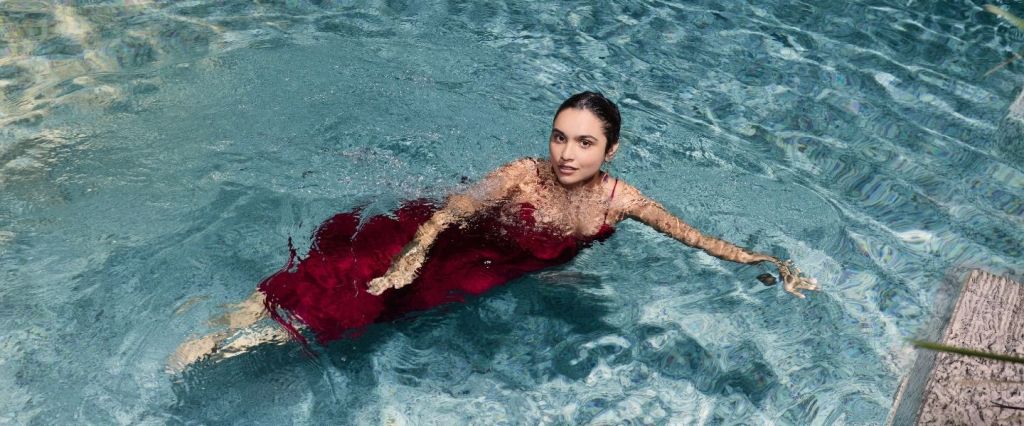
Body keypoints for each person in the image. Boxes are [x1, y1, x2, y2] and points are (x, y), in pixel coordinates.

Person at [167, 91, 817, 373]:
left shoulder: (624, 203)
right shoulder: (520, 174)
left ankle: (253, 328)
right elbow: (449, 212)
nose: (565, 153)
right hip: (444, 242)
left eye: (584, 143)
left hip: (486, 267)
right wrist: (413, 257)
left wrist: (770, 263)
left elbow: (700, 239)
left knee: (369, 307)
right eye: (560, 137)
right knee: (360, 282)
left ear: (610, 151)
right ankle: (237, 329)